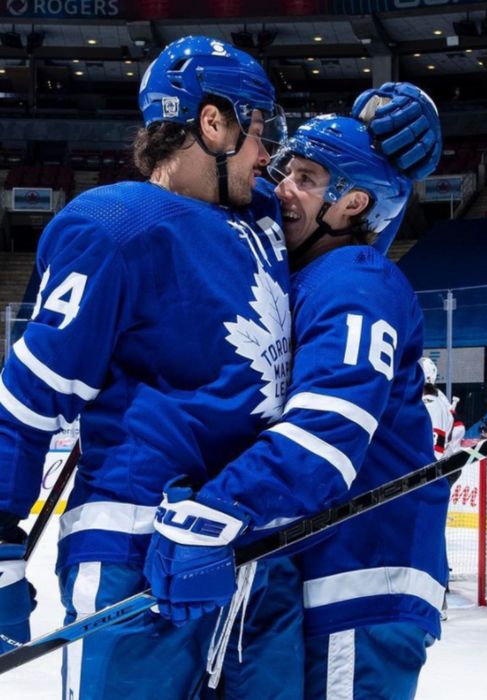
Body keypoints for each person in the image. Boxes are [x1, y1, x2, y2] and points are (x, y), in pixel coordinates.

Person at [0, 35, 294, 699]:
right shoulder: (114, 224)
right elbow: (28, 400)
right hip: (134, 552)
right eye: (257, 129)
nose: (266, 152)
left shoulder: (267, 219)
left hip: (255, 558)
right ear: (211, 123)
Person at [261, 111, 447, 699]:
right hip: (341, 573)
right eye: (286, 169)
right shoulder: (326, 273)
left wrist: (216, 507)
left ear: (353, 203)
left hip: (361, 573)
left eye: (308, 177)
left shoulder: (356, 280)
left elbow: (328, 431)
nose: (282, 186)